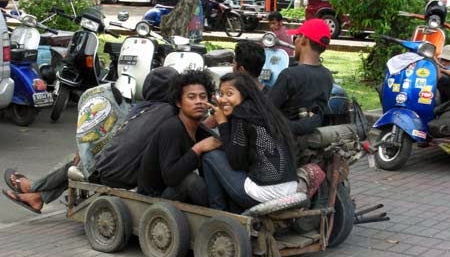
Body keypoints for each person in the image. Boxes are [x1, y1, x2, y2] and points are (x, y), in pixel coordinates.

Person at [2, 67, 179, 213]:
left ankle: (34, 190)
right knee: (79, 159)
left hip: (124, 173)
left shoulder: (151, 111)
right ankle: (37, 197)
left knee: (76, 161)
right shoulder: (157, 111)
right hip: (131, 169)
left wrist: (88, 153)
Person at [203, 72, 298, 211]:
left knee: (210, 157)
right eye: (221, 94)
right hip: (290, 188)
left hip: (264, 193)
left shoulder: (241, 114)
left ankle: (218, 212)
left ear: (244, 93)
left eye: (229, 94)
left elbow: (236, 162)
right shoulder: (262, 110)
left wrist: (222, 122)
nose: (223, 100)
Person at [137, 70, 222, 206]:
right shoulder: (172, 128)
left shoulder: (200, 130)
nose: (199, 102)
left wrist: (223, 121)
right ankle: (219, 214)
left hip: (174, 195)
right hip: (154, 197)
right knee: (191, 181)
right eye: (191, 97)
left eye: (203, 96)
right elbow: (171, 177)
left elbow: (222, 147)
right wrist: (197, 149)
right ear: (178, 103)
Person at [268, 18, 333, 137]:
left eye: (295, 37)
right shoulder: (327, 76)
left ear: (304, 39)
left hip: (282, 141)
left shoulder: (290, 75)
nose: (294, 42)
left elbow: (266, 111)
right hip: (306, 140)